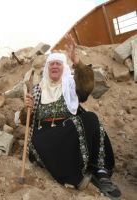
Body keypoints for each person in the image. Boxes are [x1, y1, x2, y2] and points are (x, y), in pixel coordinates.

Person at [24, 35, 121, 199]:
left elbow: (87, 87)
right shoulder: (37, 90)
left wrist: (77, 61)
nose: (55, 66)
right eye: (52, 63)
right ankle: (76, 176)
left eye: (58, 63)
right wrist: (27, 108)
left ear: (64, 67)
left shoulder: (71, 85)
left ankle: (101, 173)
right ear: (47, 68)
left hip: (70, 130)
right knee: (37, 140)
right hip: (48, 136)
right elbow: (25, 121)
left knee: (90, 118)